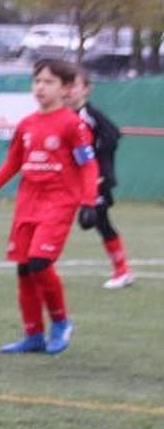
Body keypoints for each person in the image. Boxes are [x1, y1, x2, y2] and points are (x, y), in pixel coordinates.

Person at [0, 58, 97, 355]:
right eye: (37, 81)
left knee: (40, 262)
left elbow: (88, 166)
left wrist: (88, 202)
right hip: (28, 203)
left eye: (49, 82)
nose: (40, 87)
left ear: (66, 88)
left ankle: (61, 322)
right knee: (25, 268)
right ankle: (33, 335)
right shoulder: (26, 124)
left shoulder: (73, 125)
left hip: (58, 203)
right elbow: (13, 163)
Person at [69, 68, 133, 290]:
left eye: (75, 85)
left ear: (86, 89)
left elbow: (113, 135)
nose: (69, 90)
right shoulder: (67, 116)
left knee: (100, 222)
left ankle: (122, 271)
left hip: (96, 179)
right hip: (74, 180)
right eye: (67, 85)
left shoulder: (89, 114)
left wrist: (98, 168)